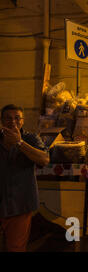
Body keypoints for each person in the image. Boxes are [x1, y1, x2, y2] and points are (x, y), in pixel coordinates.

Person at [0, 104, 49, 251]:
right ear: (2, 121)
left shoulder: (31, 138)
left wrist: (20, 143)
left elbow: (44, 160)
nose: (13, 122)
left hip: (20, 204)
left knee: (16, 247)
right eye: (8, 118)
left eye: (17, 118)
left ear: (22, 121)